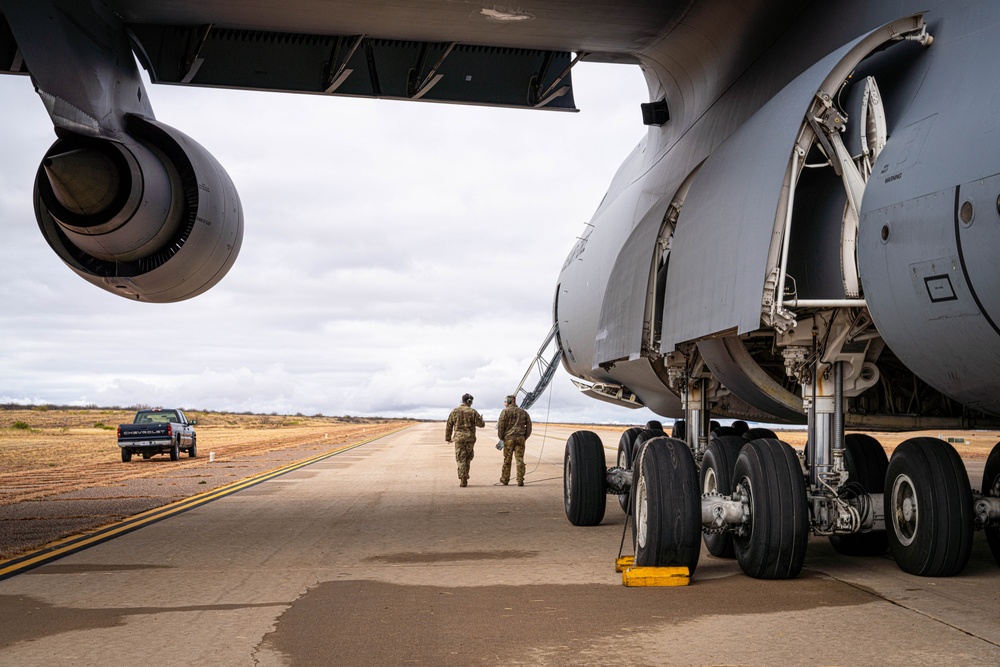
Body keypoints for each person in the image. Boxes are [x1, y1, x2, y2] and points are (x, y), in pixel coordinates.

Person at [445, 393, 485, 487]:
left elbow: (449, 425)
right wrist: (481, 420)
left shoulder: (454, 411)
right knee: (467, 458)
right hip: (470, 439)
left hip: (459, 439)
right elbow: (481, 425)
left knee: (460, 458)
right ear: (469, 401)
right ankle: (464, 476)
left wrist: (448, 438)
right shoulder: (473, 412)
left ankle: (463, 477)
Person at [496, 394, 532, 486]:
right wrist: (524, 437)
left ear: (509, 401)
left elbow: (501, 426)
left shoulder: (505, 412)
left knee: (507, 460)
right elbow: (529, 426)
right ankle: (520, 480)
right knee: (520, 459)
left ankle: (505, 479)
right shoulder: (523, 412)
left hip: (509, 439)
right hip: (520, 439)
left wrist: (501, 437)